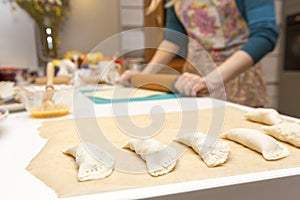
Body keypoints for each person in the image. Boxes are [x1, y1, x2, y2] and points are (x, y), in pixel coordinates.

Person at [118, 0, 279, 107]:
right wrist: (144, 77)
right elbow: (174, 38)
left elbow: (264, 35)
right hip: (193, 78)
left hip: (237, 78)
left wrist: (210, 81)